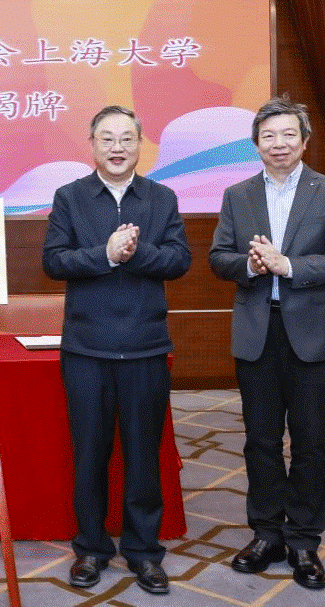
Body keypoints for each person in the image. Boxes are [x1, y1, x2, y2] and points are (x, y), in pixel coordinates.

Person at [208, 96, 325, 590]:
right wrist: (250, 265)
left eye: (288, 134)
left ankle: (304, 540)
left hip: (313, 335)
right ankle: (267, 534)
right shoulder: (238, 195)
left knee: (312, 443)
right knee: (261, 441)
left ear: (305, 140)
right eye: (268, 136)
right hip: (258, 332)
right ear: (256, 144)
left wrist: (288, 265)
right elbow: (218, 257)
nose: (279, 144)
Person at [42, 105, 191, 595]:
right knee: (90, 455)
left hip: (146, 347)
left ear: (140, 144)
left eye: (127, 138)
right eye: (107, 138)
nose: (117, 147)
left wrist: (136, 252)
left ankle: (144, 552)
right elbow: (54, 261)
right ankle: (91, 548)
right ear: (92, 144)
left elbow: (179, 260)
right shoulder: (70, 197)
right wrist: (105, 255)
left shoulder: (162, 197)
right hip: (87, 349)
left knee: (144, 457)